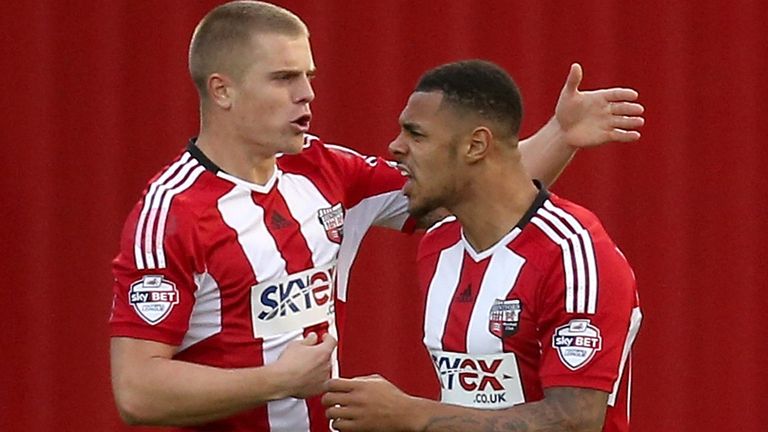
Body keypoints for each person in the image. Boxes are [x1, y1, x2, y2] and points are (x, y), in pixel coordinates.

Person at [108, 2, 644, 432]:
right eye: (283, 78)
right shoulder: (172, 213)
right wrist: (276, 380)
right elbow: (137, 391)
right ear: (222, 89)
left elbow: (469, 181)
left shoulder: (322, 169)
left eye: (309, 76)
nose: (307, 94)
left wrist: (559, 135)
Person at [322, 60, 642, 432]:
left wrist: (410, 415)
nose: (396, 147)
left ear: (475, 145)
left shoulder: (573, 254)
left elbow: (575, 422)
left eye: (417, 135)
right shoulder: (439, 246)